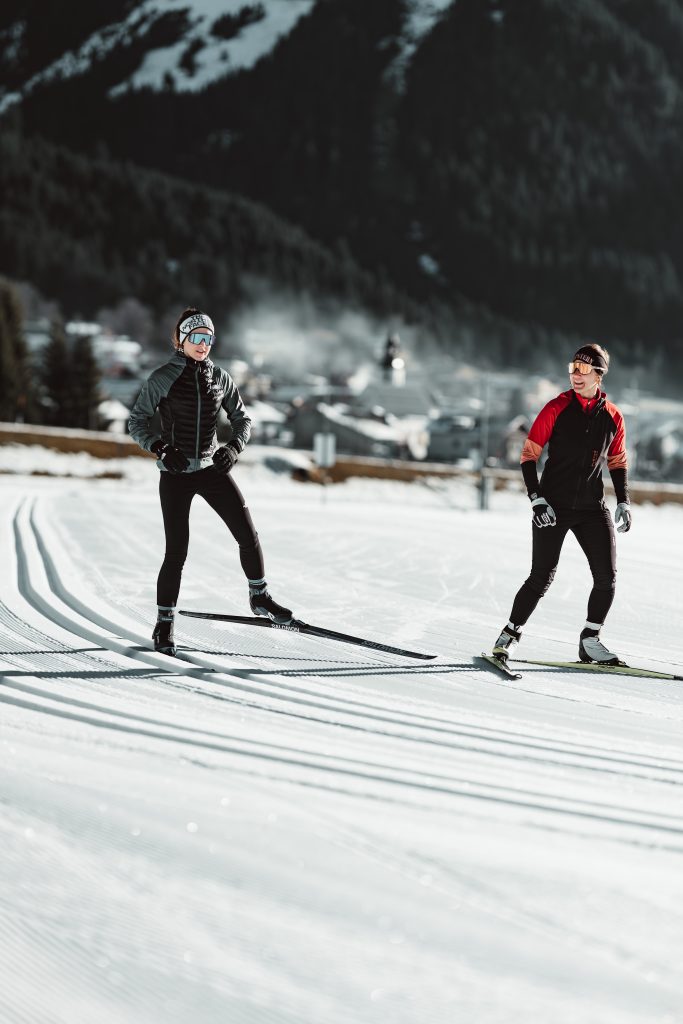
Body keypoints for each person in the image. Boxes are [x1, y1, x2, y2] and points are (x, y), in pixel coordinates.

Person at [128, 307, 292, 656]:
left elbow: (242, 420)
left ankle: (259, 596)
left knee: (247, 535)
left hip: (212, 469)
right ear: (181, 340)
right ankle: (164, 623)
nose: (203, 345)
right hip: (175, 474)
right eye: (196, 338)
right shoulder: (162, 377)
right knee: (177, 553)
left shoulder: (220, 377)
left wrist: (232, 449)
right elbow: (137, 422)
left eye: (208, 338)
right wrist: (159, 448)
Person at [492, 343, 632, 665]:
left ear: (599, 374)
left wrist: (623, 501)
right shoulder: (556, 407)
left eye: (583, 370)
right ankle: (509, 636)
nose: (575, 375)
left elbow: (618, 461)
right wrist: (536, 499)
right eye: (572, 368)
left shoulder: (613, 417)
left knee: (606, 577)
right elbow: (529, 456)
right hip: (552, 506)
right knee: (541, 576)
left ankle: (590, 640)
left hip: (591, 508)